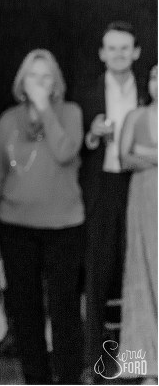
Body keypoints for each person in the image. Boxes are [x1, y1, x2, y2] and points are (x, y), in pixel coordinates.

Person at [0, 49, 85, 384]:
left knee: (65, 311)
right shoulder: (9, 120)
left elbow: (66, 152)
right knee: (25, 314)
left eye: (45, 76)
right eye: (32, 76)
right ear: (21, 82)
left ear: (55, 84)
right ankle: (35, 379)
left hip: (64, 227)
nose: (39, 82)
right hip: (15, 228)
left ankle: (69, 378)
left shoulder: (70, 112)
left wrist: (44, 109)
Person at [76, 22, 146, 376]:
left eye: (125, 48)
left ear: (135, 52)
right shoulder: (86, 93)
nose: (118, 54)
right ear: (102, 53)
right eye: (111, 48)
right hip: (100, 188)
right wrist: (91, 135)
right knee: (97, 274)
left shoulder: (151, 93)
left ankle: (138, 362)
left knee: (139, 271)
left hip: (141, 187)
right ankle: (95, 365)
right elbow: (73, 146)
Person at [119, 64, 157, 381]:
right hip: (143, 200)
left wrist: (146, 153)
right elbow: (124, 158)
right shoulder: (136, 116)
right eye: (154, 76)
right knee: (139, 274)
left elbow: (137, 153)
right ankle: (142, 368)